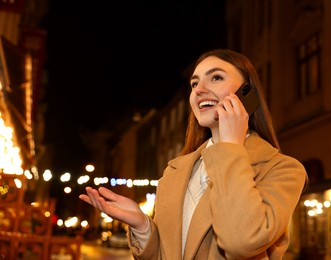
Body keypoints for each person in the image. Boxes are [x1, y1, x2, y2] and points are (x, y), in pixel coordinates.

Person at [79, 49, 307, 259]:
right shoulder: (174, 172)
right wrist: (142, 226)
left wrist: (230, 147)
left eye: (216, 78)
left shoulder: (282, 170)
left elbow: (240, 242)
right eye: (194, 83)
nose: (199, 90)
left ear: (247, 93)